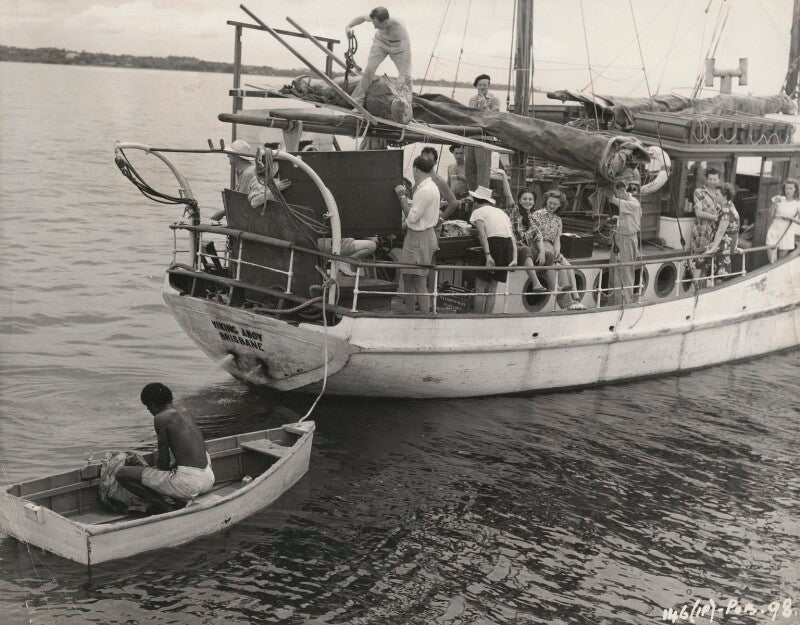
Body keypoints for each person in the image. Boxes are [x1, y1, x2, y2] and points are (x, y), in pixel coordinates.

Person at [116, 383, 215, 514]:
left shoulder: (161, 418)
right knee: (171, 469)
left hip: (189, 484)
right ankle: (179, 498)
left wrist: (151, 471)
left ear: (153, 405)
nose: (148, 410)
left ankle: (166, 508)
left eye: (147, 407)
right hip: (208, 478)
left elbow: (163, 463)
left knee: (121, 473)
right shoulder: (185, 410)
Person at [395, 156, 440, 314]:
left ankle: (421, 318)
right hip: (424, 236)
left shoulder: (424, 190)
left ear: (415, 169)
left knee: (418, 280)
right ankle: (413, 316)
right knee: (409, 278)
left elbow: (412, 217)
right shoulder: (431, 186)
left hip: (419, 238)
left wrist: (401, 196)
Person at [530, 190, 586, 310]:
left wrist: (557, 252)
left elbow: (556, 240)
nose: (551, 206)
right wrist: (544, 251)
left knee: (569, 267)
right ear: (546, 201)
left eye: (555, 204)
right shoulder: (537, 215)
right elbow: (535, 236)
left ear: (560, 205)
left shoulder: (558, 220)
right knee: (560, 269)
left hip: (550, 245)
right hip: (538, 245)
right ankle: (567, 303)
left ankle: (576, 299)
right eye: (550, 203)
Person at [211, 139, 291, 220]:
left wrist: (222, 213)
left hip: (255, 217)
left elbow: (243, 202)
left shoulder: (248, 173)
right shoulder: (244, 172)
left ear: (236, 155)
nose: (227, 155)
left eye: (229, 153)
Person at [346, 7, 412, 106]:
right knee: (369, 70)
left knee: (406, 77)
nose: (374, 27)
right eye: (373, 24)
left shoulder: (400, 27)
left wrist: (401, 76)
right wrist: (348, 26)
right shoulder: (376, 17)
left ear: (385, 22)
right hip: (380, 43)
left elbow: (407, 52)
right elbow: (362, 18)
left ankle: (407, 106)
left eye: (376, 25)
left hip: (398, 48)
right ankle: (357, 101)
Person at [469, 186, 517, 314]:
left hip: (493, 245)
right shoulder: (501, 213)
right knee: (493, 288)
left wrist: (488, 255)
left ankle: (477, 318)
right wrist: (515, 257)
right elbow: (512, 237)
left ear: (475, 201)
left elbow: (482, 233)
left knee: (480, 286)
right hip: (507, 247)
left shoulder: (478, 212)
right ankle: (488, 317)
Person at [607, 182, 642, 303]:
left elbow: (614, 200)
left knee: (626, 272)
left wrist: (608, 191)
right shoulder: (627, 202)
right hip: (619, 236)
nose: (617, 196)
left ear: (622, 190)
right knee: (613, 269)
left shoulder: (634, 203)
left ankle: (625, 302)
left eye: (618, 193)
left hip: (627, 239)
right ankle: (612, 302)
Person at [464, 74, 500, 191]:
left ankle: (482, 198)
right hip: (471, 137)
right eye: (480, 85)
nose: (482, 87)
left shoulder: (494, 100)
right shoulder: (472, 100)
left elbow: (494, 118)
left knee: (483, 171)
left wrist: (484, 104)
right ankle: (471, 195)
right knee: (469, 169)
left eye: (485, 85)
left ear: (489, 86)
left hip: (485, 138)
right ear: (476, 86)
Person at [507, 188, 547, 293]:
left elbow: (538, 237)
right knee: (526, 249)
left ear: (534, 202)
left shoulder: (534, 219)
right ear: (519, 200)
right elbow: (508, 196)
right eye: (524, 199)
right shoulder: (514, 211)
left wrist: (542, 252)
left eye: (530, 199)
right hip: (514, 249)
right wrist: (503, 176)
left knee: (549, 255)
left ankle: (555, 287)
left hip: (527, 250)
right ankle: (536, 283)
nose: (527, 201)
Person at [688, 167, 720, 280]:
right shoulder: (699, 192)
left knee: (707, 264)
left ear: (718, 180)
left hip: (713, 232)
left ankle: (701, 290)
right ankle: (695, 288)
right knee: (697, 262)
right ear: (706, 179)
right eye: (710, 179)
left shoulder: (719, 195)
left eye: (715, 179)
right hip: (700, 231)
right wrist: (716, 217)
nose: (713, 181)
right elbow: (698, 213)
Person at [705, 182, 741, 279]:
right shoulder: (730, 206)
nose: (714, 196)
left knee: (716, 274)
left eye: (717, 195)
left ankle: (700, 288)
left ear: (724, 196)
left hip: (723, 247)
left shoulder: (727, 211)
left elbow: (721, 231)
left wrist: (712, 249)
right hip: (726, 246)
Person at [765, 178, 800, 263]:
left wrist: (790, 218)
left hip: (787, 233)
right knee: (772, 261)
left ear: (795, 190)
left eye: (791, 188)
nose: (788, 190)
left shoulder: (797, 204)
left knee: (779, 264)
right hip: (774, 230)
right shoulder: (778, 199)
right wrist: (774, 204)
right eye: (786, 188)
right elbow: (770, 215)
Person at [420, 147, 459, 218]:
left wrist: (441, 219)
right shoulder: (420, 177)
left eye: (429, 160)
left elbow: (454, 203)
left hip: (430, 219)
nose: (425, 163)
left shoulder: (438, 180)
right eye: (423, 159)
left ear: (435, 163)